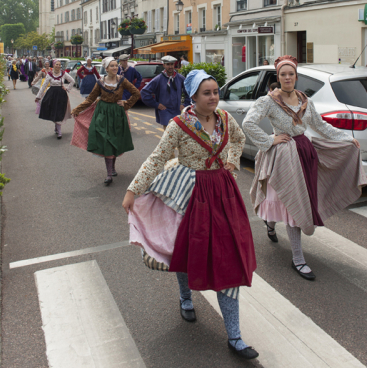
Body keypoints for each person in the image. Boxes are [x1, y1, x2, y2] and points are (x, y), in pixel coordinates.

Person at [122, 69, 258, 361]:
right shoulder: (178, 125)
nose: (213, 98)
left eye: (215, 92)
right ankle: (185, 297)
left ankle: (234, 335)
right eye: (207, 93)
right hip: (191, 196)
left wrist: (232, 165)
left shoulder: (224, 119)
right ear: (193, 96)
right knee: (187, 250)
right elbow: (157, 157)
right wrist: (133, 190)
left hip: (223, 193)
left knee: (229, 259)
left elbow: (238, 138)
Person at [243, 55, 367, 280]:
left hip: (304, 152)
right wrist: (270, 140)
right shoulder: (268, 101)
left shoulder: (304, 100)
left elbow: (321, 126)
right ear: (278, 77)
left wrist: (346, 139)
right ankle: (297, 258)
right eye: (283, 74)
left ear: (296, 76)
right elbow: (248, 123)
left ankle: (271, 227)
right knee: (290, 202)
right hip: (283, 156)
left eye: (291, 74)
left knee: (289, 200)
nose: (287, 77)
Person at [71, 57, 141, 186]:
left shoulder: (122, 80)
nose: (115, 68)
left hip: (117, 114)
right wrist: (77, 109)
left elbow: (136, 93)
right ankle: (109, 174)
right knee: (106, 140)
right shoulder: (100, 82)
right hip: (103, 114)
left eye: (116, 65)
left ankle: (112, 168)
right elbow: (90, 99)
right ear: (106, 68)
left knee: (114, 141)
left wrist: (126, 104)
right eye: (112, 66)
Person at [141, 55, 191, 129]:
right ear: (164, 65)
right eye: (168, 64)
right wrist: (156, 104)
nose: (170, 67)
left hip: (177, 111)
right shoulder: (158, 79)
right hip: (165, 111)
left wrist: (185, 104)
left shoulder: (180, 78)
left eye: (172, 64)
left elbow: (189, 91)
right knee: (169, 135)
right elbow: (144, 92)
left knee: (178, 134)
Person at [34, 60, 74, 139]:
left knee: (59, 111)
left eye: (59, 65)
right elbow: (44, 85)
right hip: (51, 94)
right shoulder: (49, 74)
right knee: (52, 111)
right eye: (56, 64)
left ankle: (59, 131)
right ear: (53, 65)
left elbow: (72, 81)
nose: (58, 66)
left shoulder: (63, 73)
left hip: (61, 95)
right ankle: (57, 125)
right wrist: (38, 96)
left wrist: (67, 88)